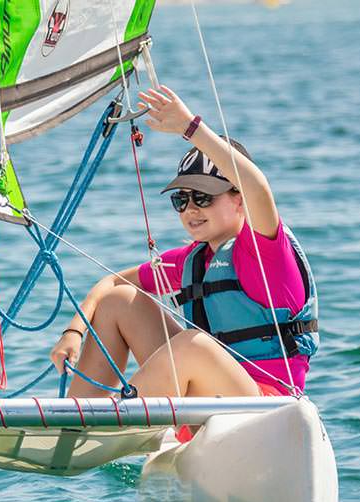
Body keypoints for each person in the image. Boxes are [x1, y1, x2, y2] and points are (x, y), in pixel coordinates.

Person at [49, 86, 318, 400]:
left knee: (193, 345)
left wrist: (189, 127)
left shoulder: (265, 251)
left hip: (267, 408)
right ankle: (74, 429)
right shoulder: (193, 260)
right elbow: (111, 282)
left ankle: (113, 420)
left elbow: (257, 187)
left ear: (239, 200)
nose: (191, 209)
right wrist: (73, 332)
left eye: (203, 197)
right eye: (182, 199)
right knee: (118, 301)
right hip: (206, 405)